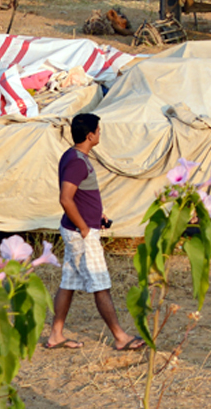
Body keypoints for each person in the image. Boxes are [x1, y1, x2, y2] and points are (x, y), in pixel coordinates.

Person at [45, 113, 141, 351]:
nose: (100, 133)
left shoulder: (72, 156)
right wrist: (86, 228)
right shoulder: (78, 162)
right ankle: (120, 336)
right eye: (99, 130)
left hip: (75, 229)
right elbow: (66, 199)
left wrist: (96, 214)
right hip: (81, 234)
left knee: (68, 282)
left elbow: (80, 195)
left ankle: (56, 334)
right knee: (101, 284)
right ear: (90, 135)